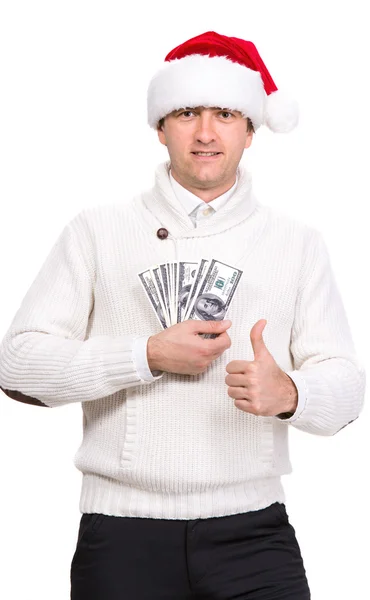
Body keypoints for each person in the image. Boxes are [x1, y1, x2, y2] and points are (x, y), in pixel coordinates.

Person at [0, 30, 366, 600]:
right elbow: (18, 366)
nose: (204, 132)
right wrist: (144, 355)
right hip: (122, 534)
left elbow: (346, 392)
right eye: (186, 112)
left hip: (254, 533)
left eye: (225, 113)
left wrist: (292, 392)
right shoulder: (97, 230)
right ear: (159, 127)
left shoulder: (297, 243)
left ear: (251, 130)